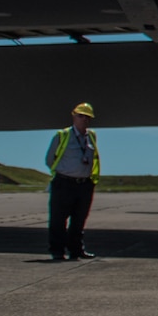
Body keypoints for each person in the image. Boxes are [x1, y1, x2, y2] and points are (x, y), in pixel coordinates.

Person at [44, 102, 100, 261]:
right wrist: (63, 172)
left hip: (84, 184)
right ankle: (57, 251)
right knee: (58, 219)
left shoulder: (91, 136)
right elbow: (49, 159)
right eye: (81, 116)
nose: (84, 119)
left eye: (87, 117)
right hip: (64, 183)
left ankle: (76, 250)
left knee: (79, 219)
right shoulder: (62, 135)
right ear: (74, 116)